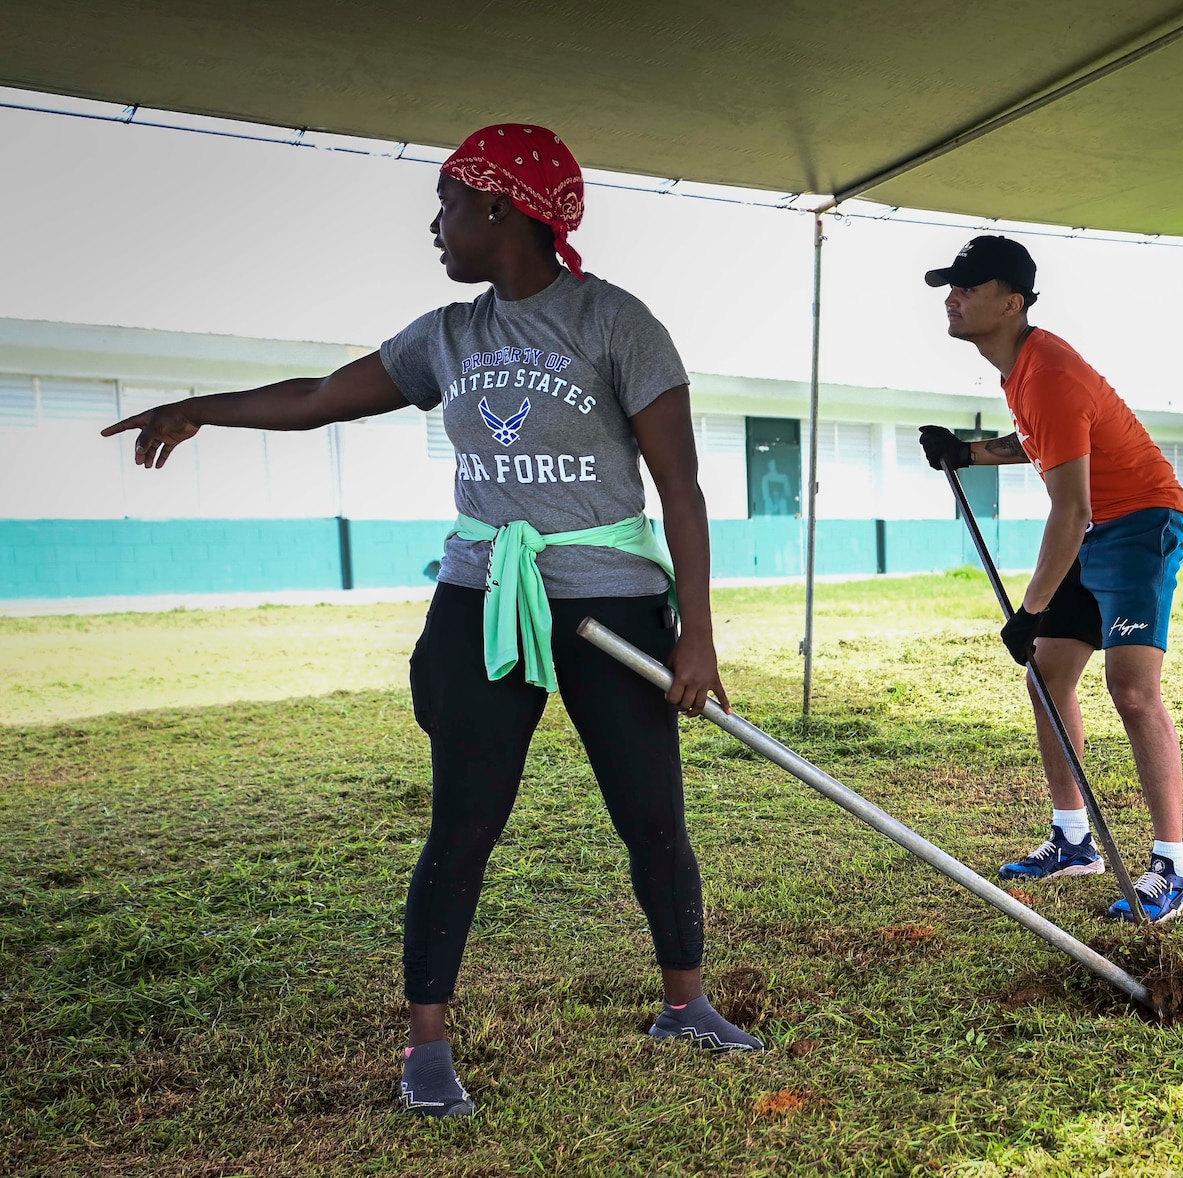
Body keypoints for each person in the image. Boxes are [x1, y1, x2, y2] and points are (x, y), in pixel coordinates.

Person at [103, 123, 763, 1119]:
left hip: (612, 601)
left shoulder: (614, 322)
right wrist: (203, 405)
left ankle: (684, 1003)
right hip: (481, 595)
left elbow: (682, 487)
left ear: (501, 207)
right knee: (462, 820)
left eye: (449, 201)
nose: (436, 223)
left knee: (652, 819)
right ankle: (427, 1047)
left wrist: (697, 632)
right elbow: (323, 396)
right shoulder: (445, 334)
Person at [915, 236, 1183, 923]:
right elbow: (1044, 441)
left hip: (1138, 522)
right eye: (949, 285)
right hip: (1096, 525)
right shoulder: (1020, 369)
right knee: (1047, 676)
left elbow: (1068, 509)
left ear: (1010, 303)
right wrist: (968, 452)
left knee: (1131, 689)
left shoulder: (1047, 370)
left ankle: (1175, 869)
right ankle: (1074, 841)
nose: (952, 296)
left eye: (968, 287)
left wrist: (1030, 609)